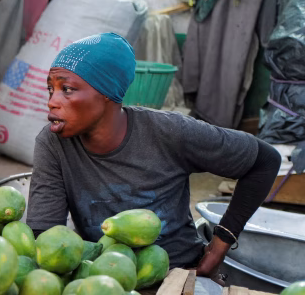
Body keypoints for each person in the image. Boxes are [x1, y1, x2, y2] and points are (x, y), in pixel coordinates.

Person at [27, 33, 281, 276]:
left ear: (106, 93)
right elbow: (45, 235)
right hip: (102, 281)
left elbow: (265, 161)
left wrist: (221, 242)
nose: (52, 101)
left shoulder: (170, 132)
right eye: (51, 89)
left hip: (181, 273)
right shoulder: (53, 144)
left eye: (67, 89)